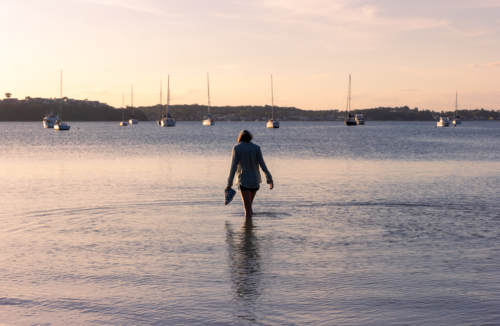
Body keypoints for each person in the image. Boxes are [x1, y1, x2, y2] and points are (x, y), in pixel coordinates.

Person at [226, 130, 274, 219]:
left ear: (240, 138)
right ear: (250, 137)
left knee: (247, 210)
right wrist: (269, 178)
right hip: (255, 182)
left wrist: (229, 182)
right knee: (249, 207)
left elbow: (233, 166)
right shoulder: (256, 148)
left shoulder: (237, 148)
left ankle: (247, 229)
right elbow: (263, 165)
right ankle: (250, 229)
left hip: (243, 182)